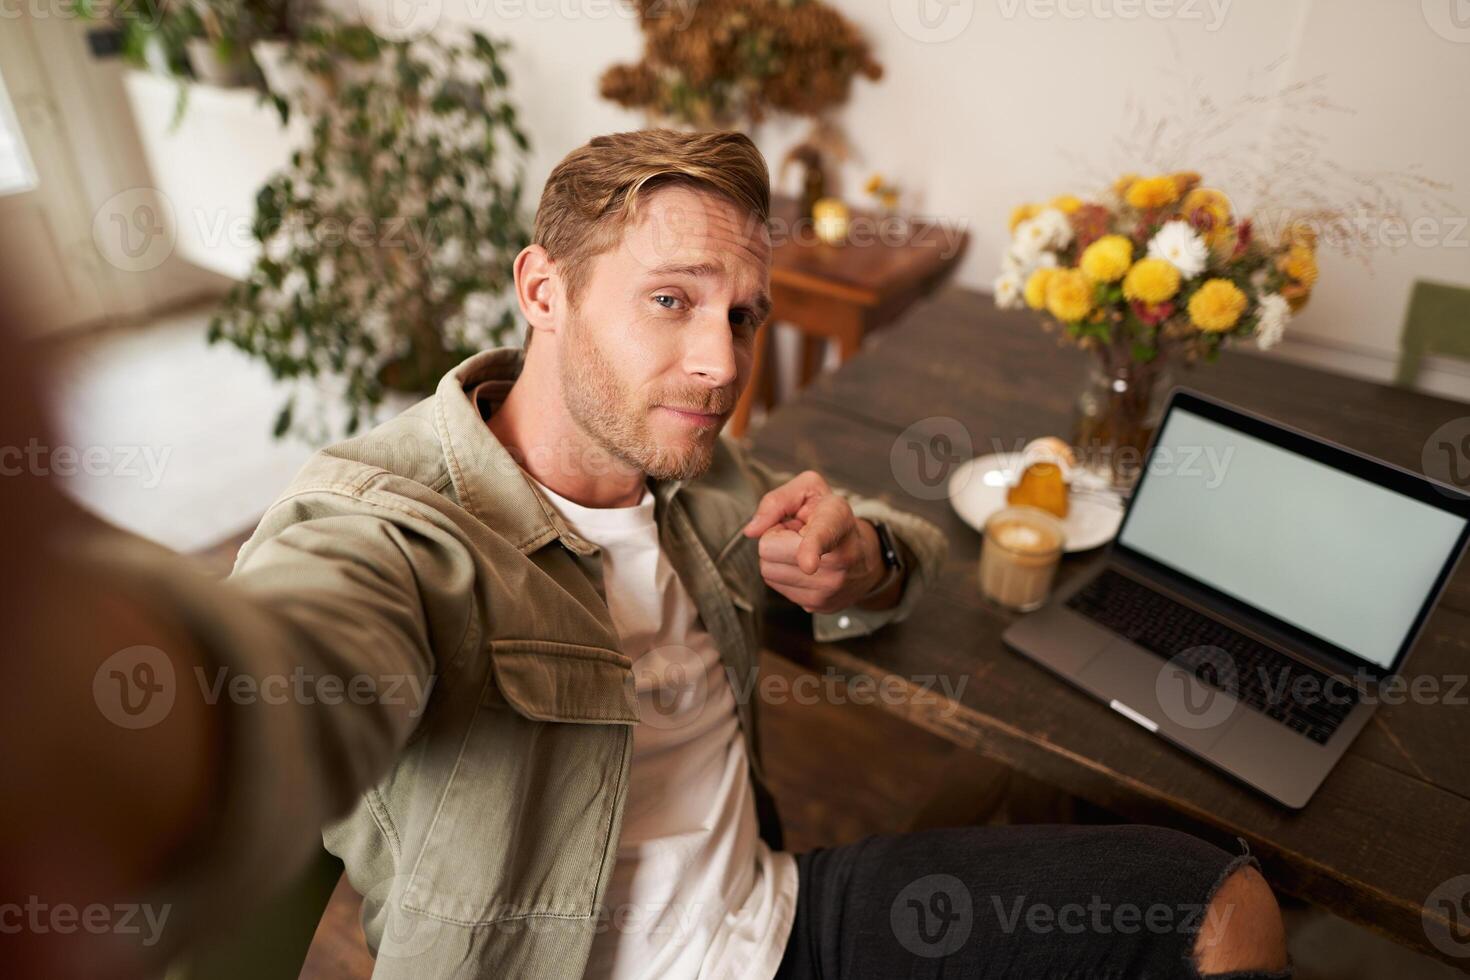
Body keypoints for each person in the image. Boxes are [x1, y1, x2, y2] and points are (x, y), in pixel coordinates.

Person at [1, 129, 1290, 979]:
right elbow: (289, 673)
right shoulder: (398, 531)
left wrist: (863, 565)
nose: (725, 364)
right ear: (544, 291)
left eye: (741, 314)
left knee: (1223, 911)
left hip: (785, 925)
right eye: (671, 301)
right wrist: (90, 688)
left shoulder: (696, 473)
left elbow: (886, 547)